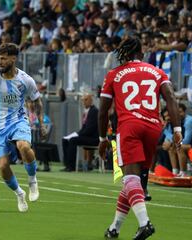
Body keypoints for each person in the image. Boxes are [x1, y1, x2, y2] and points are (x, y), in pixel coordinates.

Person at [98, 37, 182, 240]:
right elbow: (171, 97)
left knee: (130, 178)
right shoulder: (157, 71)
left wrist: (102, 138)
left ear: (123, 54)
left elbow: (102, 112)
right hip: (154, 128)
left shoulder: (114, 74)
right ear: (141, 54)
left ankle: (145, 224)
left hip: (129, 127)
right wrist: (177, 128)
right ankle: (114, 228)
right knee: (134, 180)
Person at [0, 43, 46, 213]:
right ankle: (19, 193)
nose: (0, 61)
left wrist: (41, 124)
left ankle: (32, 181)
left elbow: (37, 102)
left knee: (23, 146)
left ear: (13, 59)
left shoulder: (25, 80)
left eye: (4, 58)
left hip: (19, 121)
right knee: (2, 166)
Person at [61, 92, 99, 172]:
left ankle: (72, 166)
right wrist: (77, 134)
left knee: (73, 140)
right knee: (65, 140)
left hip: (93, 138)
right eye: (83, 100)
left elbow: (90, 129)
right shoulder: (87, 111)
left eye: (85, 100)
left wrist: (78, 135)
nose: (83, 102)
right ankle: (67, 164)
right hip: (87, 135)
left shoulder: (94, 111)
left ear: (90, 101)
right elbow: (84, 128)